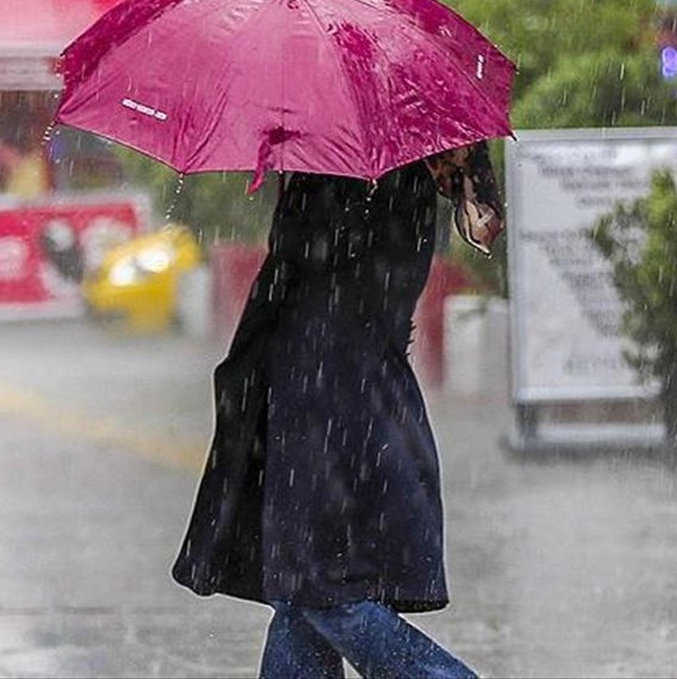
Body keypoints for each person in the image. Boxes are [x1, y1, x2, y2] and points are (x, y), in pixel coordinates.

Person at [171, 143, 502, 679]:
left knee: (321, 587)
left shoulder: (349, 164)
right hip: (350, 387)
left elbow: (310, 260)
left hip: (325, 392)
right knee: (299, 589)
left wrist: (295, 182)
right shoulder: (409, 160)